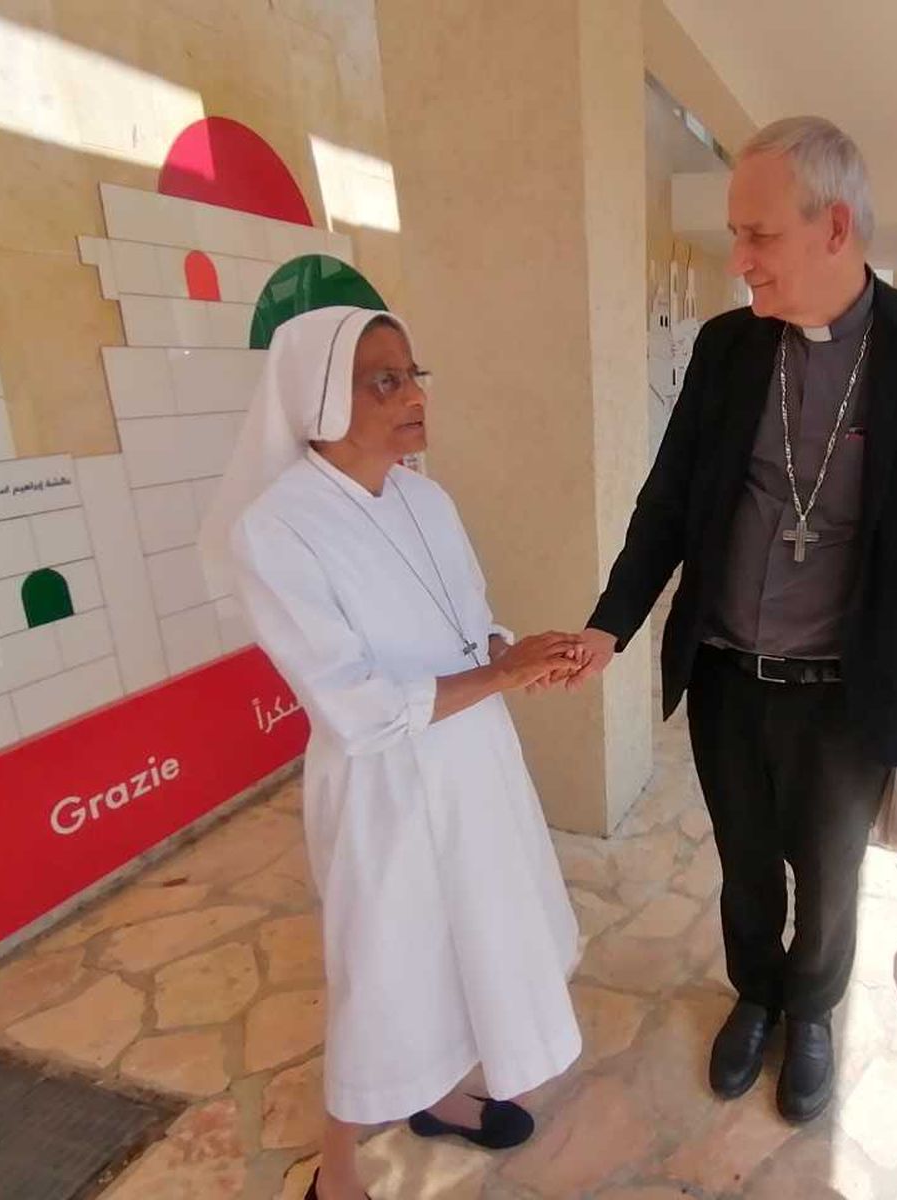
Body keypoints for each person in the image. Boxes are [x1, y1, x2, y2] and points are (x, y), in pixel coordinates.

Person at [566, 116, 897, 1123]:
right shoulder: (726, 347)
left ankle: (811, 1012)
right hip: (725, 674)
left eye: (756, 236)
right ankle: (754, 993)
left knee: (830, 877)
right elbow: (668, 498)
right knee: (747, 864)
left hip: (847, 689)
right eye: (734, 236)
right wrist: (610, 622)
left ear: (834, 227)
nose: (738, 259)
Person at [198, 307, 584, 1200]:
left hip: (472, 765)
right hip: (383, 790)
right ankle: (337, 1172)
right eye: (386, 380)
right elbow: (356, 708)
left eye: (415, 373)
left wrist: (515, 656)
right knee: (384, 968)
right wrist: (502, 675)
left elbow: (471, 623)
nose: (414, 396)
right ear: (320, 397)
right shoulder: (275, 530)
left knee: (470, 937)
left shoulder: (425, 496)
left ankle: (443, 1097)